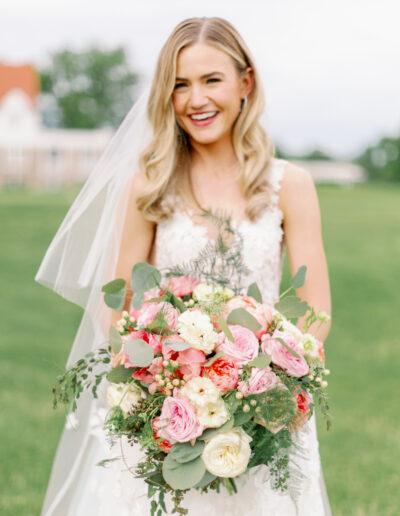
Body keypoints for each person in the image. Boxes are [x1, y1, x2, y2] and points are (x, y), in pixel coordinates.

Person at [36, 16, 332, 515]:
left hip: (263, 412)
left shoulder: (290, 185)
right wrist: (164, 384)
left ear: (246, 82)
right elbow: (120, 306)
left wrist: (261, 387)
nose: (196, 99)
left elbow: (314, 310)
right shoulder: (149, 188)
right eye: (179, 85)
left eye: (211, 80)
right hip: (169, 415)